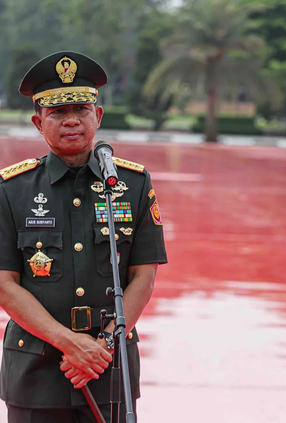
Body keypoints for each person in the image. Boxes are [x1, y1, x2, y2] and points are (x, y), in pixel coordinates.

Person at [0, 51, 167, 422]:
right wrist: (69, 343)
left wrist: (102, 346)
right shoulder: (11, 189)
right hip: (36, 370)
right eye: (58, 112)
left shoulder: (132, 184)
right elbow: (4, 284)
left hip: (110, 369)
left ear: (98, 116)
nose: (72, 120)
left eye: (81, 109)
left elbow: (144, 275)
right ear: (38, 122)